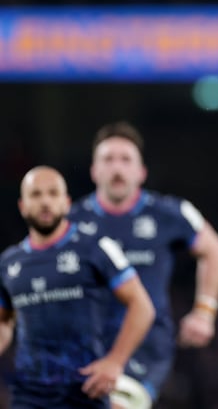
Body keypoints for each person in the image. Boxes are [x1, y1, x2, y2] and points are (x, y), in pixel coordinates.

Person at [69, 122, 218, 409]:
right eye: (108, 159)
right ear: (94, 170)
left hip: (146, 344)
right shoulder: (72, 222)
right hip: (85, 343)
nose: (117, 168)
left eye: (125, 159)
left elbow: (214, 250)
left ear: (141, 171)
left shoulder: (168, 212)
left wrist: (204, 311)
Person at [0, 166, 155, 408]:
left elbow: (142, 305)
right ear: (22, 205)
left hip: (84, 392)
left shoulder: (96, 247)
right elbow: (3, 321)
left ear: (66, 202)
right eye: (36, 194)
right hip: (28, 394)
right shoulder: (8, 262)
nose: (45, 202)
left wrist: (115, 361)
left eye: (53, 194)